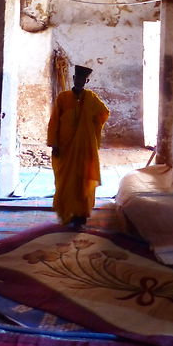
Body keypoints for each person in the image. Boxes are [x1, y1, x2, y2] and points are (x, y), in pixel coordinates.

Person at [47, 65, 110, 229]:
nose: (80, 81)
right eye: (78, 79)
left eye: (84, 80)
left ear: (86, 81)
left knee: (83, 180)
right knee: (65, 181)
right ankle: (67, 212)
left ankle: (80, 215)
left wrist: (90, 129)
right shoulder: (63, 98)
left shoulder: (91, 98)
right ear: (74, 79)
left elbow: (104, 113)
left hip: (84, 148)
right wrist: (54, 143)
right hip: (65, 147)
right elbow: (54, 121)